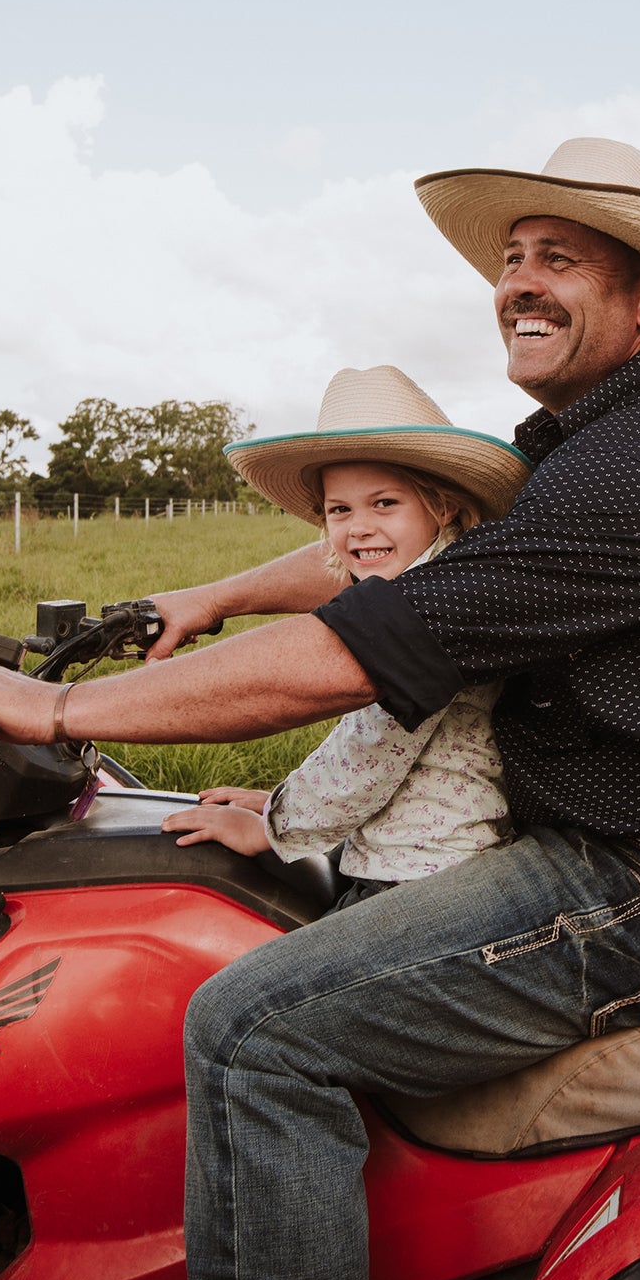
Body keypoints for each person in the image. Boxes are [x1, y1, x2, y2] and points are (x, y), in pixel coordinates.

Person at [0, 136, 640, 1280]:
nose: (518, 282)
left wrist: (53, 707)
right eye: (511, 258)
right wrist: (214, 595)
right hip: (626, 854)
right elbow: (418, 552)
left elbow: (365, 645)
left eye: (559, 259)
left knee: (252, 1030)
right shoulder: (598, 445)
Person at [158, 365, 528, 905]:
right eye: (340, 509)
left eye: (385, 503)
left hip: (421, 868)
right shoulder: (425, 583)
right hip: (406, 845)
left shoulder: (436, 611)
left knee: (267, 964)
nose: (358, 527)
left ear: (442, 504)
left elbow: (368, 756)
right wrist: (279, 800)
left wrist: (269, 829)